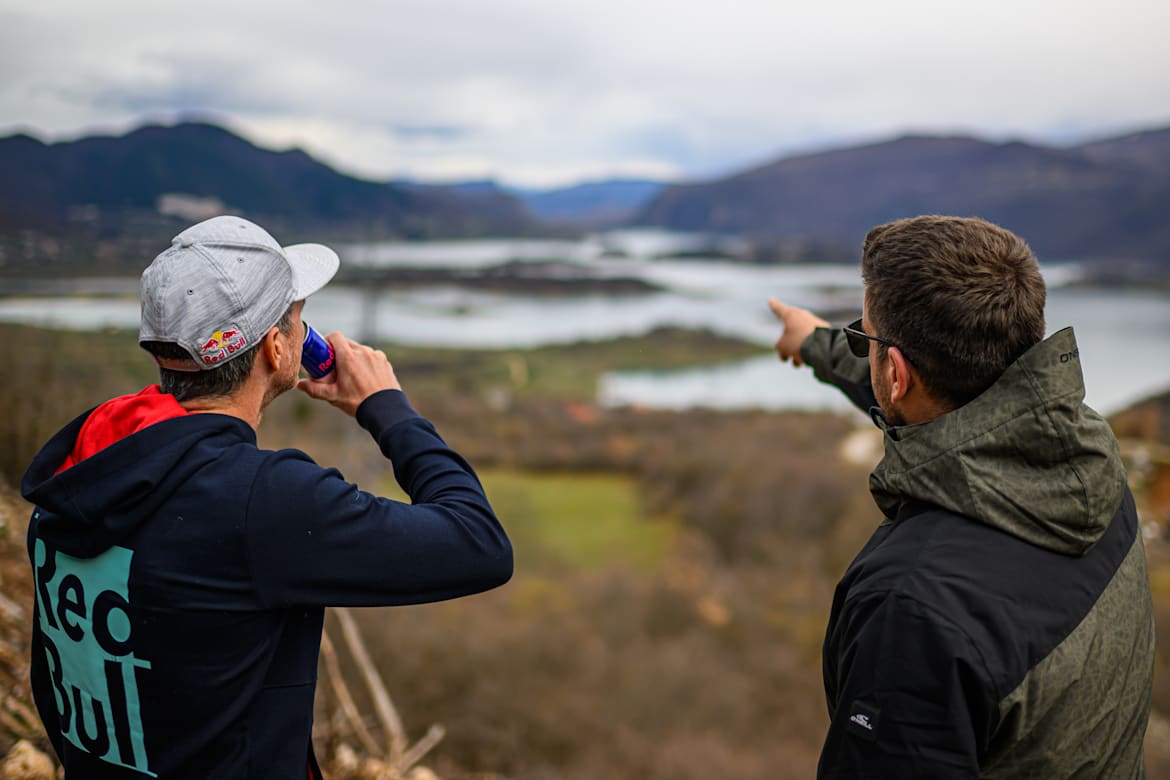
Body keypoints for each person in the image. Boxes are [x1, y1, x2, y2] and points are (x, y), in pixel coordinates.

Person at [21, 216, 513, 778]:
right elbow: (480, 544)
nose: (306, 334)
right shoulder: (264, 502)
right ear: (278, 349)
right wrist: (388, 408)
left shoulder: (81, 470)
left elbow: (59, 684)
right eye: (300, 320)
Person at [769, 215, 1155, 778]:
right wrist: (818, 343)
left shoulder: (911, 608)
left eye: (864, 336)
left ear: (896, 374)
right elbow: (939, 393)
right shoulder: (1087, 455)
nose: (864, 348)